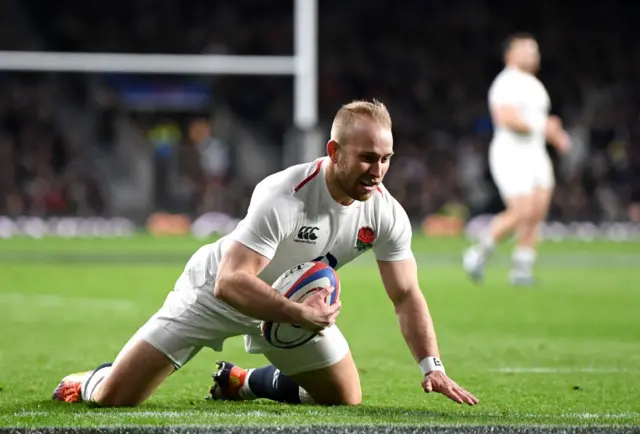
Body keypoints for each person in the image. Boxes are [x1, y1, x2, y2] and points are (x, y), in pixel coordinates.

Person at [52, 100, 478, 408]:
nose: (379, 171)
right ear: (334, 152)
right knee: (114, 400)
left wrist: (431, 365)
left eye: (386, 159)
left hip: (289, 308)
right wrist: (298, 315)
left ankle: (242, 382)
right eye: (367, 158)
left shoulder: (385, 212)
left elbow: (406, 296)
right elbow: (231, 281)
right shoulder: (284, 194)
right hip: (214, 296)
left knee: (344, 397)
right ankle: (90, 379)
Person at [463, 33, 571, 286]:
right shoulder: (506, 83)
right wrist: (544, 127)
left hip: (536, 152)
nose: (534, 54)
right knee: (521, 211)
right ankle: (479, 252)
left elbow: (541, 122)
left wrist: (555, 133)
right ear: (510, 54)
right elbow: (506, 118)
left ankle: (522, 268)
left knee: (537, 211)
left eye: (535, 50)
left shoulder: (535, 85)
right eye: (527, 49)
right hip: (511, 153)